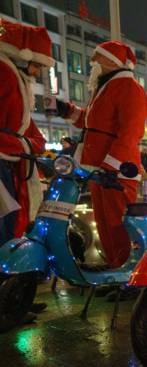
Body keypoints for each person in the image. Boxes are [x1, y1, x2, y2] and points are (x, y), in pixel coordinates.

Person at [56, 40, 147, 269]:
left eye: (98, 57)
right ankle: (116, 266)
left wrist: (111, 165)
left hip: (116, 170)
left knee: (117, 222)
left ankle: (128, 270)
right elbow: (94, 122)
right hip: (99, 169)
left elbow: (130, 131)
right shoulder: (107, 86)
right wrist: (69, 112)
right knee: (105, 222)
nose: (92, 61)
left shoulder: (128, 88)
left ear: (111, 61)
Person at [0, 20, 50, 243]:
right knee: (7, 225)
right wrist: (25, 145)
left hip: (8, 162)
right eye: (37, 65)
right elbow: (30, 134)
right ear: (24, 55)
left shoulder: (14, 77)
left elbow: (31, 132)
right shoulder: (6, 74)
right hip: (4, 164)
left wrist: (29, 143)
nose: (38, 72)